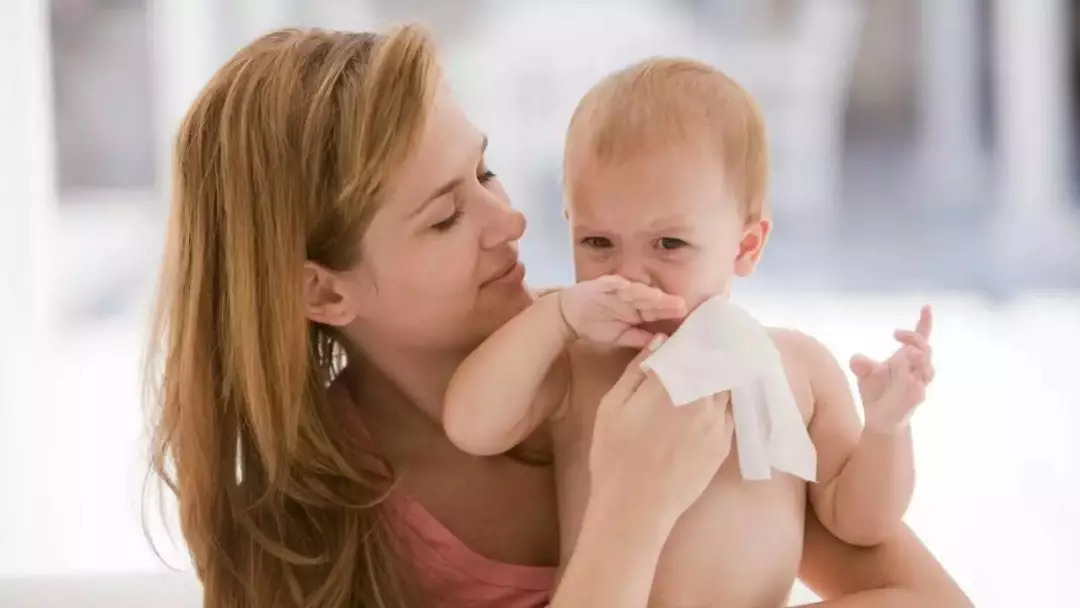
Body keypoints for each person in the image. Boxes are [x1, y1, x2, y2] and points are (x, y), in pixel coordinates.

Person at [146, 25, 972, 608]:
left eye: (486, 172)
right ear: (325, 293)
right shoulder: (309, 532)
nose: (511, 221)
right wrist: (631, 510)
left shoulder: (666, 375)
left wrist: (884, 429)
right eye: (445, 217)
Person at [442, 58, 935, 606]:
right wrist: (556, 316)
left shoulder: (797, 370)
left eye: (669, 245)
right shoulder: (579, 363)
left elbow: (861, 523)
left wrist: (887, 429)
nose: (629, 274)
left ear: (745, 246)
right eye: (597, 243)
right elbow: (471, 425)